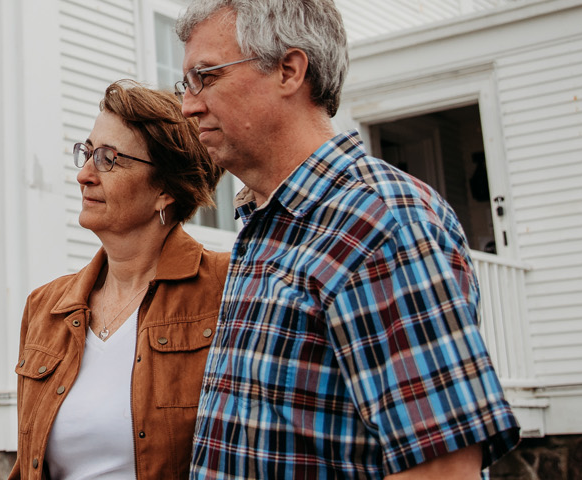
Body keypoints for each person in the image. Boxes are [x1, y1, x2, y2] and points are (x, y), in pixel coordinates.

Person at [172, 1, 520, 478]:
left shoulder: (379, 224)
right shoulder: (268, 224)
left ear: (290, 71)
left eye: (206, 76)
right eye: (185, 84)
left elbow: (442, 469)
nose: (189, 104)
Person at [10, 80, 228, 480]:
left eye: (109, 159)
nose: (85, 175)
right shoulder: (46, 307)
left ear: (165, 189)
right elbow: (28, 464)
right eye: (88, 153)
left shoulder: (227, 287)